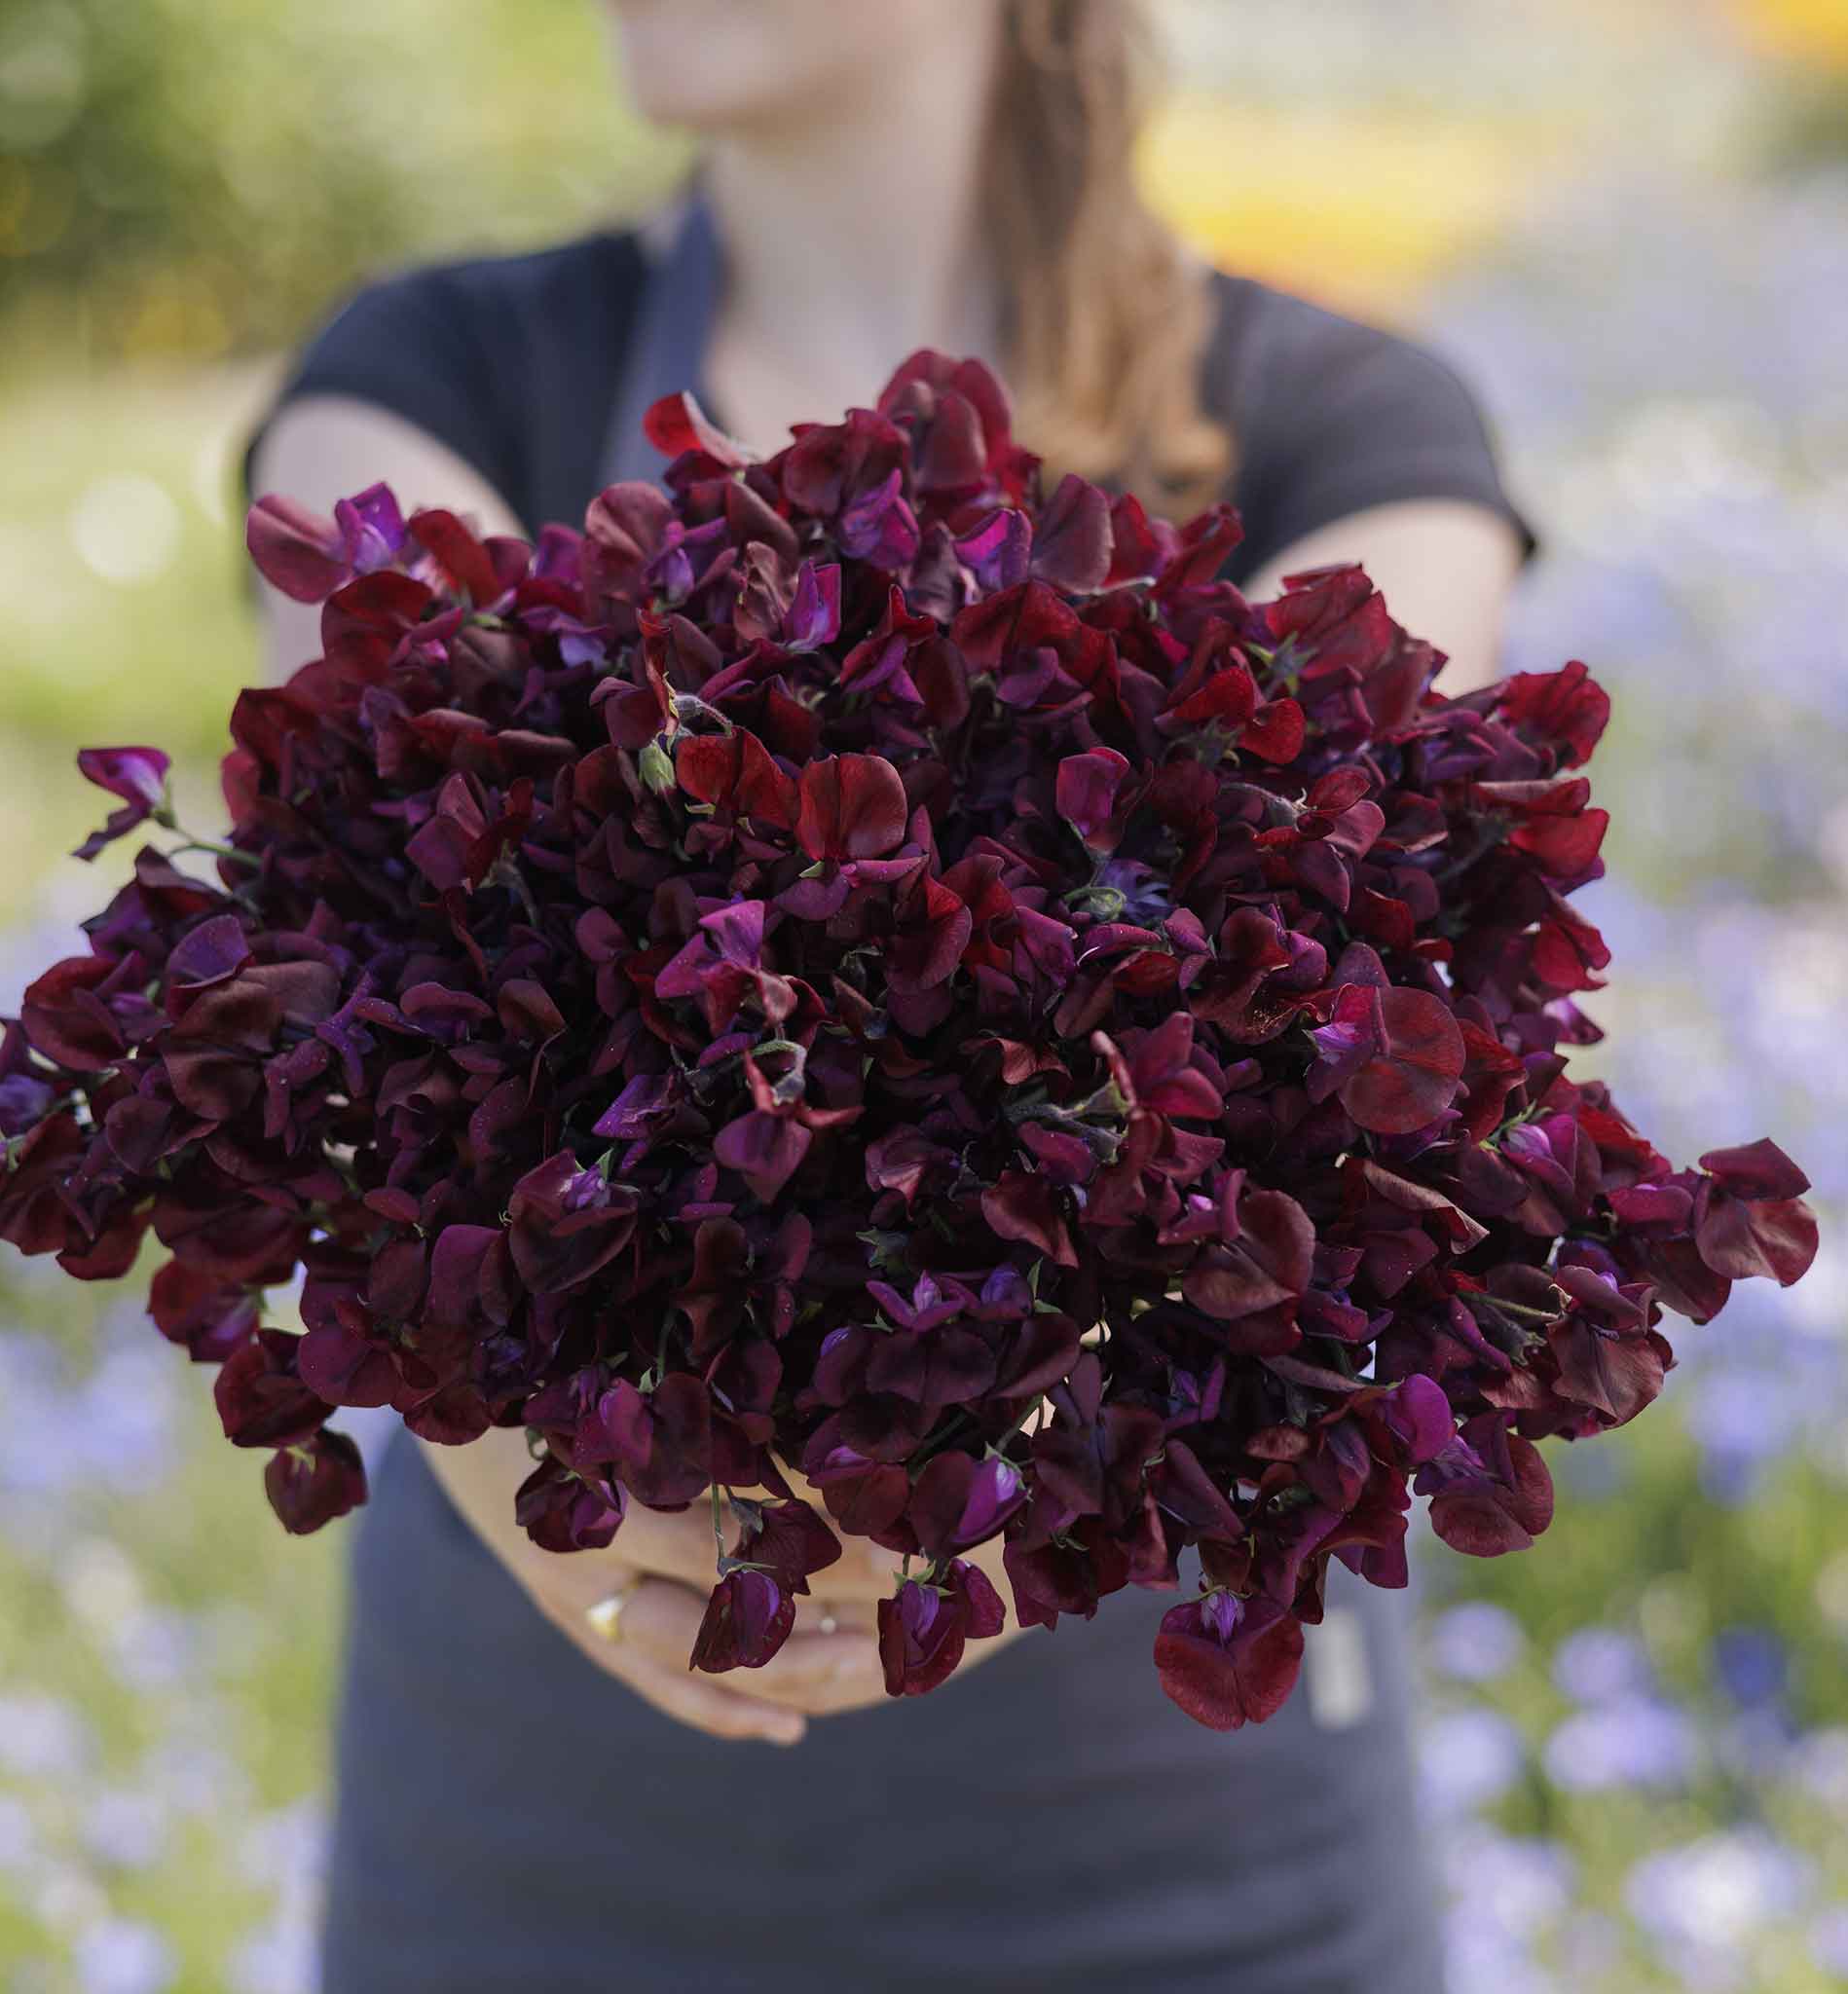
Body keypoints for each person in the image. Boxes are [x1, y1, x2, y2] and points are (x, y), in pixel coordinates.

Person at [241, 4, 1535, 1988]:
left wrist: (1031, 1426)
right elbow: (360, 923)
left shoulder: (1352, 429)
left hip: (1183, 1865)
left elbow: (1343, 1014)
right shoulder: (435, 379)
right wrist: (494, 1416)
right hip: (543, 1825)